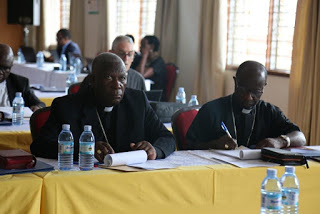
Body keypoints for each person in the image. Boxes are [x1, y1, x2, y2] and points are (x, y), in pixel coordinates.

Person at [30, 52, 175, 161]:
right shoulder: (67, 106)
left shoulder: (138, 102)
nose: (117, 85)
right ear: (93, 80)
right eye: (109, 77)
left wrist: (154, 150)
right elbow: (40, 146)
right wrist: (84, 150)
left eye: (122, 78)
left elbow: (167, 138)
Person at [186, 60, 306, 150]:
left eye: (256, 92)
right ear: (235, 82)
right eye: (243, 90)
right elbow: (187, 146)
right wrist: (214, 144)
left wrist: (281, 141)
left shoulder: (269, 112)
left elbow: (300, 137)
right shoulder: (211, 110)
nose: (249, 97)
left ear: (263, 87)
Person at [0, 43, 45, 111]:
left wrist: (37, 107)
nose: (0, 72)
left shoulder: (20, 82)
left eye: (5, 68)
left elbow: (39, 104)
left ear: (11, 66)